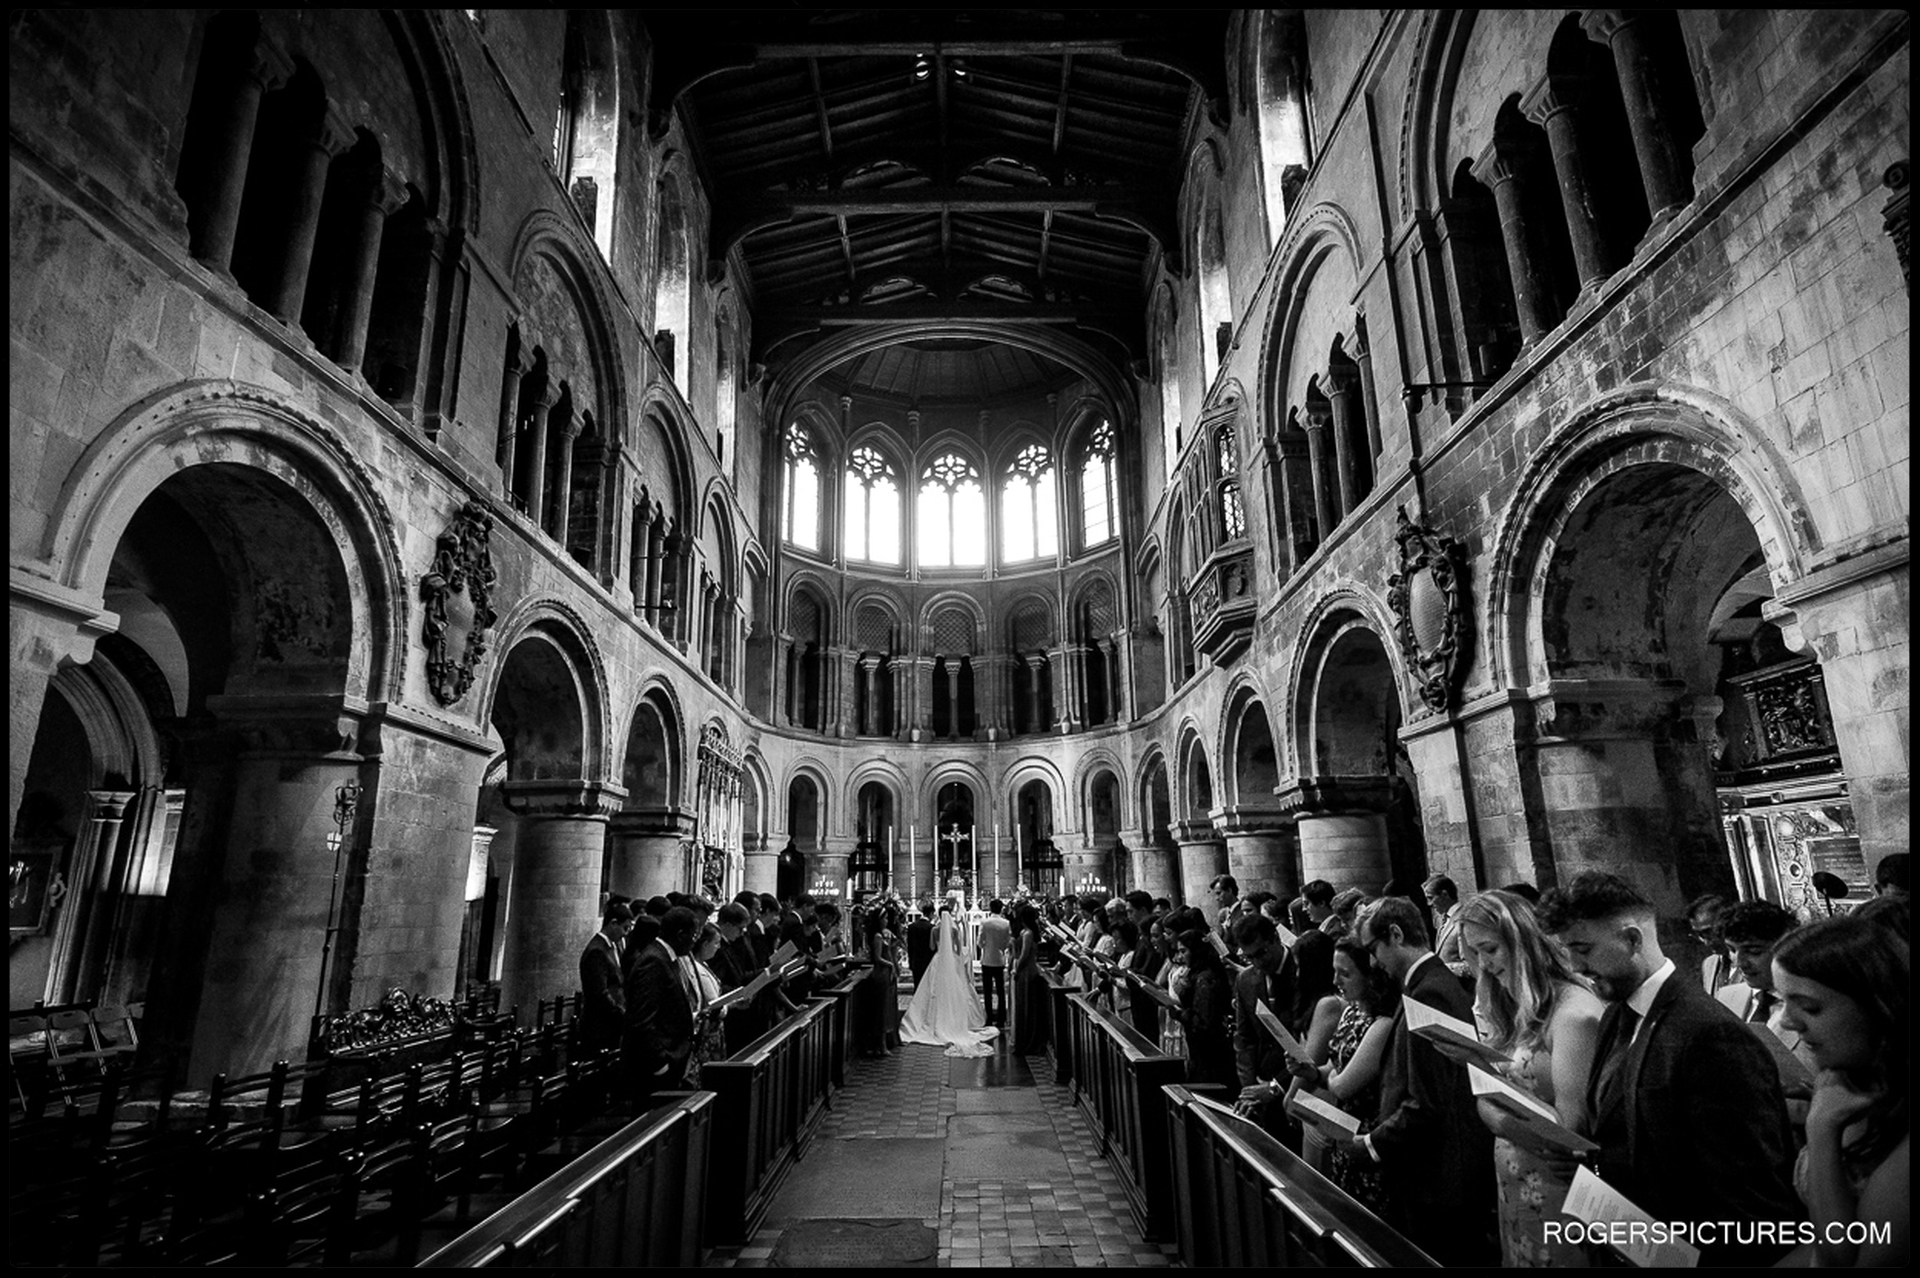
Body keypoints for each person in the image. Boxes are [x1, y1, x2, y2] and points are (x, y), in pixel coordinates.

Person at [1541, 872, 1800, 1265]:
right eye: (1569, 952)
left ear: (1631, 940)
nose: (1577, 966)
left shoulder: (1708, 1034)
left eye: (1584, 949)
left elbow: (1750, 1198)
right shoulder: (1616, 1014)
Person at [1457, 889, 1605, 1268]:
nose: (1485, 965)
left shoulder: (1574, 1014)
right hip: (1516, 1179)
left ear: (1520, 940)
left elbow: (1568, 1134)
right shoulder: (1517, 1008)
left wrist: (1488, 1088)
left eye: (1490, 949)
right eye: (1476, 954)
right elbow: (1484, 1102)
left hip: (1559, 1188)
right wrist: (1493, 1107)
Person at [1352, 896, 1495, 1265]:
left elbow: (1428, 1100)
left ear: (1396, 935)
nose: (1373, 962)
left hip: (1439, 1177)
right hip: (1433, 1173)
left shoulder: (1430, 990)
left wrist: (1371, 1143)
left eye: (1373, 949)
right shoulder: (1425, 984)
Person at [1772, 916, 1910, 1267]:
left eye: (1810, 1007)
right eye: (1783, 1001)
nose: (1787, 1021)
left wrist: (1820, 1129)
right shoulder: (1841, 1079)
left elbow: (1841, 1258)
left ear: (1879, 1006)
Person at [1288, 935, 1399, 1214]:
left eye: (1345, 973)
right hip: (1341, 1133)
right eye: (1334, 971)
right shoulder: (1351, 1011)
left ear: (1371, 977)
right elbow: (1335, 1066)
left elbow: (1342, 1085)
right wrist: (1309, 1070)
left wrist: (1316, 1078)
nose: (1336, 981)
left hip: (1366, 1138)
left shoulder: (1382, 1023)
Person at [1717, 898, 1817, 1118]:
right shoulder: (1727, 997)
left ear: (1786, 943)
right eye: (1732, 950)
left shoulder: (1816, 1001)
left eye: (1753, 951)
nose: (1739, 962)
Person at [899, 905, 998, 1056]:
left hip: (938, 960)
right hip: (951, 961)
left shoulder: (934, 930)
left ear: (938, 914)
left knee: (933, 990)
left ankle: (933, 1019)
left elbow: (932, 947)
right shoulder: (955, 930)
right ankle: (954, 1020)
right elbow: (958, 950)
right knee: (955, 990)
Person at [624, 906, 699, 1106]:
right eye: (693, 935)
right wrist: (660, 1063)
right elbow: (641, 1019)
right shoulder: (654, 961)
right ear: (681, 935)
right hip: (655, 1067)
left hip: (671, 1058)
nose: (695, 941)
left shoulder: (666, 957)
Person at [1230, 913, 1299, 1119]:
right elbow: (1244, 1039)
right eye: (1248, 957)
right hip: (1262, 1081)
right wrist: (1250, 1091)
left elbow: (1309, 1042)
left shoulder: (1300, 972)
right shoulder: (1245, 979)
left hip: (1298, 1085)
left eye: (1261, 953)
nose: (1257, 963)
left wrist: (1277, 1086)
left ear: (1276, 939)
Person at [1172, 929, 1236, 1091]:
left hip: (1209, 1054)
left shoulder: (1205, 978)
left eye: (1183, 951)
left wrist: (1179, 1014)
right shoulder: (1198, 974)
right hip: (1199, 1050)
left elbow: (1204, 1022)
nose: (1180, 957)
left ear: (1195, 951)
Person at [580, 900, 633, 1051]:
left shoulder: (612, 947)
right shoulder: (597, 951)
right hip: (599, 1025)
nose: (625, 933)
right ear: (613, 923)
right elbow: (600, 992)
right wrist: (621, 1015)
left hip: (609, 1024)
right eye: (625, 928)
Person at [1011, 903, 1050, 1056]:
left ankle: (1027, 1041)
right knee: (1023, 1004)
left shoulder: (1028, 934)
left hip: (1027, 971)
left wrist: (1017, 969)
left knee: (1026, 1004)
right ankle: (1024, 1040)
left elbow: (1025, 955)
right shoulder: (1027, 932)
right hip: (1026, 970)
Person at [1685, 891, 1740, 998]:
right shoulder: (1708, 965)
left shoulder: (1749, 960)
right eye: (1699, 935)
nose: (1706, 942)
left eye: (1709, 932)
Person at [1425, 874, 1471, 982]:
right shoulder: (1445, 920)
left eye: (1431, 898)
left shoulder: (1462, 920)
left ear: (1444, 894)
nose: (1429, 904)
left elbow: (1470, 966)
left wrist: (1441, 968)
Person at [977, 899, 1012, 1027]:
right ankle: (1002, 1019)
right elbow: (1007, 942)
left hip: (987, 959)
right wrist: (1001, 949)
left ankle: (989, 1018)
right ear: (1001, 908)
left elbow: (980, 942)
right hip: (999, 959)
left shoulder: (985, 922)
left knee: (987, 991)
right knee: (1000, 990)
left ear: (990, 908)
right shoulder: (1006, 923)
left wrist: (985, 946)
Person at [906, 904, 936, 987]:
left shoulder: (912, 927)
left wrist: (910, 961)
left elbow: (910, 946)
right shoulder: (932, 928)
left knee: (917, 985)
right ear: (930, 913)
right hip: (927, 961)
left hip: (915, 960)